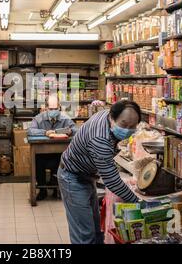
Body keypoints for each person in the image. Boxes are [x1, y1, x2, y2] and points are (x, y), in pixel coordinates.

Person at [57, 100, 141, 244]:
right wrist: (137, 202)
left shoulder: (106, 116)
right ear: (112, 118)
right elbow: (112, 182)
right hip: (72, 178)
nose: (127, 130)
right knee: (85, 236)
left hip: (86, 175)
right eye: (124, 124)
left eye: (132, 126)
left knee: (96, 231)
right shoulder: (100, 138)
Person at [28, 95, 77, 200]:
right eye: (51, 109)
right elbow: (30, 130)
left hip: (58, 154)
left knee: (62, 159)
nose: (53, 111)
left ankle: (56, 188)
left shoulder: (65, 118)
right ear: (46, 108)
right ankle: (42, 190)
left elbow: (75, 129)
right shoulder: (39, 118)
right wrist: (45, 132)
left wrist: (70, 131)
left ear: (59, 107)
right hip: (41, 154)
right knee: (37, 161)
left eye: (55, 109)